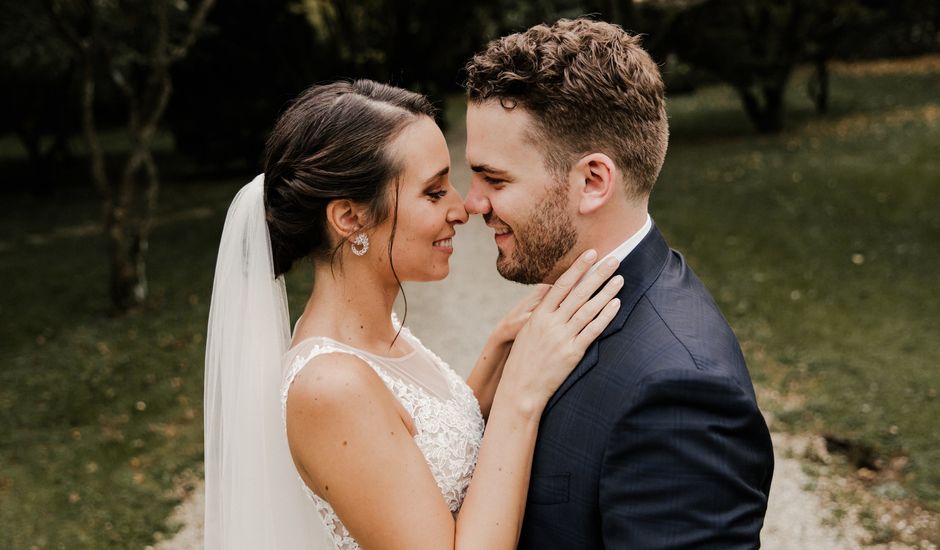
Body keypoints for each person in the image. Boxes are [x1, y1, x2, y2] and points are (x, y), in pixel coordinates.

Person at [203, 79, 624, 549]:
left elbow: (423, 448)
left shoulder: (373, 335)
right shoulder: (331, 387)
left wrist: (500, 348)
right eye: (433, 191)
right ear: (349, 217)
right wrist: (520, 395)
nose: (462, 209)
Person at [462, 18, 775, 548]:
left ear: (591, 181)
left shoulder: (681, 391)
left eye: (494, 179)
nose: (472, 203)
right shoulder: (559, 307)